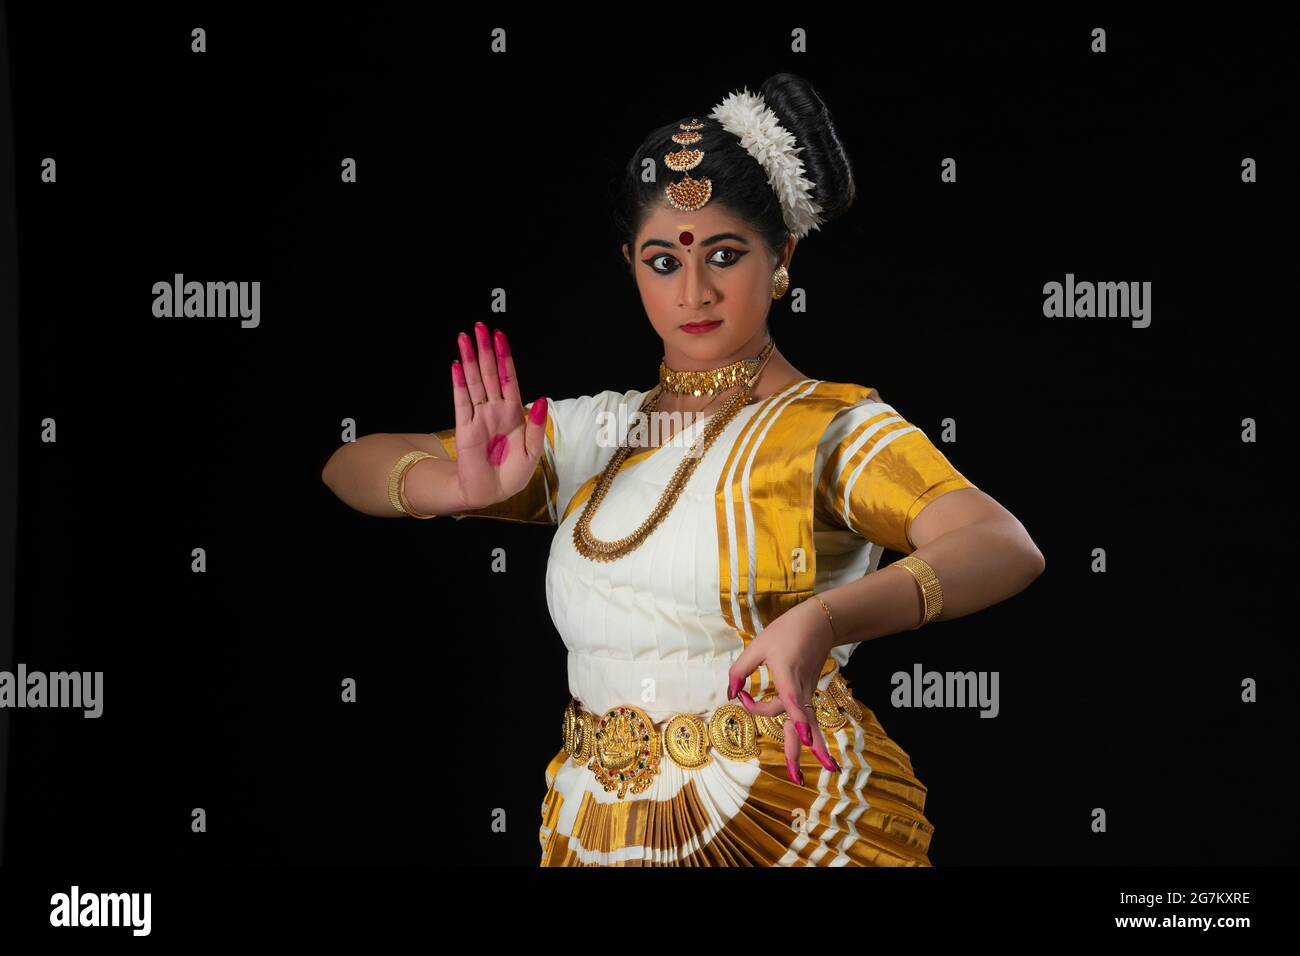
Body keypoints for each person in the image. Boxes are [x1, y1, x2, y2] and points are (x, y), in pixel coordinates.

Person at [321, 74, 1045, 866]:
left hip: (782, 821)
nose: (694, 292)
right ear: (632, 265)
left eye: (725, 256)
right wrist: (455, 489)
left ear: (782, 256)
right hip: (591, 827)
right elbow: (347, 465)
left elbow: (1002, 544)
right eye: (664, 260)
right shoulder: (595, 432)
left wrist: (826, 620)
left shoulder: (825, 428)